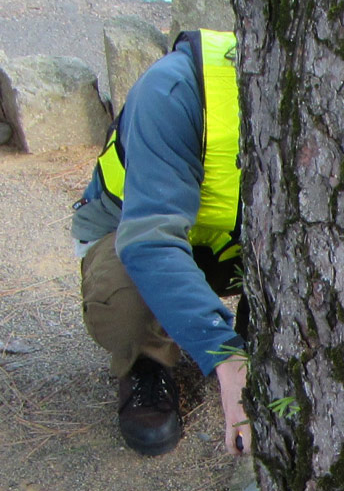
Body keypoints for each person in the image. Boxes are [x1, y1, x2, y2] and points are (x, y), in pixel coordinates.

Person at [72, 29, 251, 458]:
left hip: (224, 245)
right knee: (123, 305)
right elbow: (149, 240)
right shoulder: (172, 91)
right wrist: (225, 354)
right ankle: (147, 359)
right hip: (132, 237)